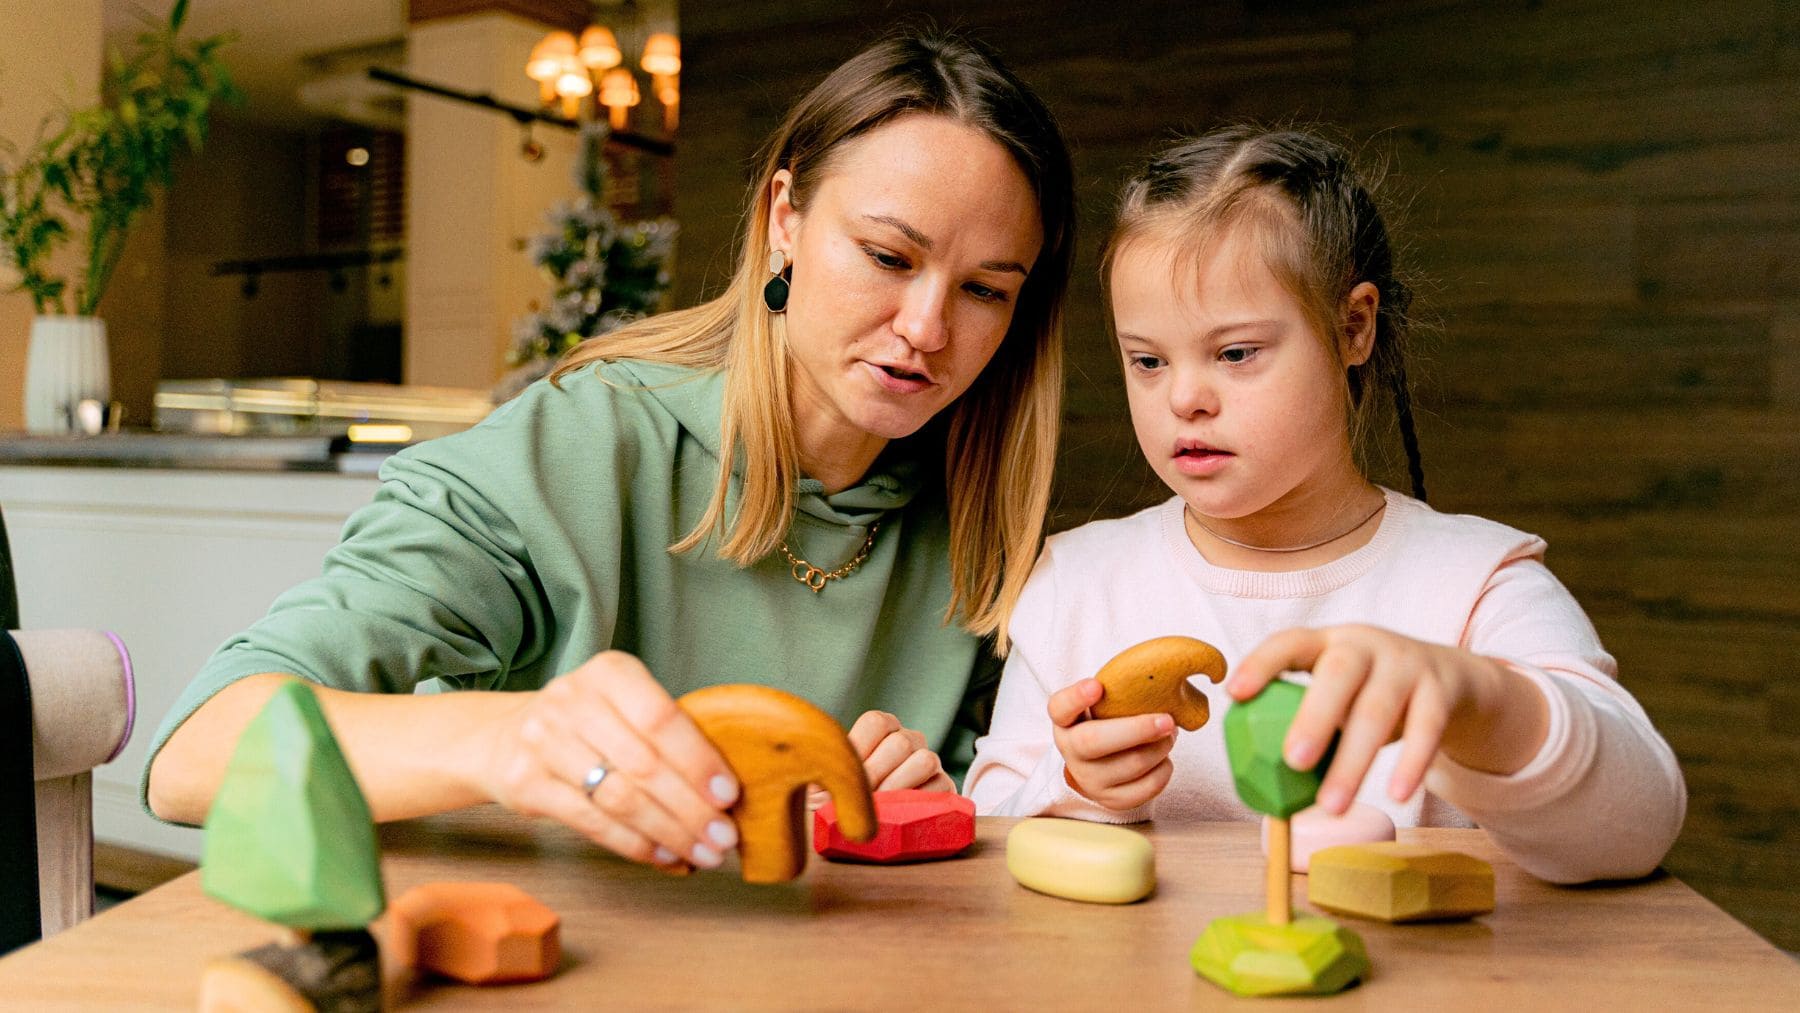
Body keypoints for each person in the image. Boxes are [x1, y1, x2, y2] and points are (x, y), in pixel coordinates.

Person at [146, 30, 1074, 875]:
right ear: (784, 217)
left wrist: (912, 800)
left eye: (985, 291)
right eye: (887, 256)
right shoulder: (571, 450)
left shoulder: (984, 528)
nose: (926, 328)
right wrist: (512, 738)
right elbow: (196, 755)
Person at [963, 126, 1685, 884]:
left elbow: (1638, 830)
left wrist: (1483, 702)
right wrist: (1076, 787)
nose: (1184, 398)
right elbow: (988, 834)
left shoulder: (1477, 584)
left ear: (1352, 327)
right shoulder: (1076, 583)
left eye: (1236, 353)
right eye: (1147, 360)